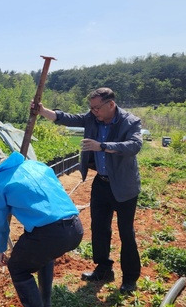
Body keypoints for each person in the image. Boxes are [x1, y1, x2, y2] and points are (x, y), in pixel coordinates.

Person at [34, 87, 142, 293]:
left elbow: (134, 146)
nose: (93, 112)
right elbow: (69, 118)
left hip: (124, 186)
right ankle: (103, 269)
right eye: (91, 108)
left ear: (111, 104)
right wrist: (43, 111)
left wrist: (101, 146)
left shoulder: (130, 122)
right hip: (101, 183)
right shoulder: (93, 118)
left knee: (126, 232)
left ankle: (130, 278)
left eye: (96, 108)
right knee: (99, 228)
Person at [0, 148, 84, 307]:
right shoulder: (36, 166)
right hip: (74, 227)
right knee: (44, 256)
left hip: (49, 233)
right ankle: (45, 305)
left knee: (18, 267)